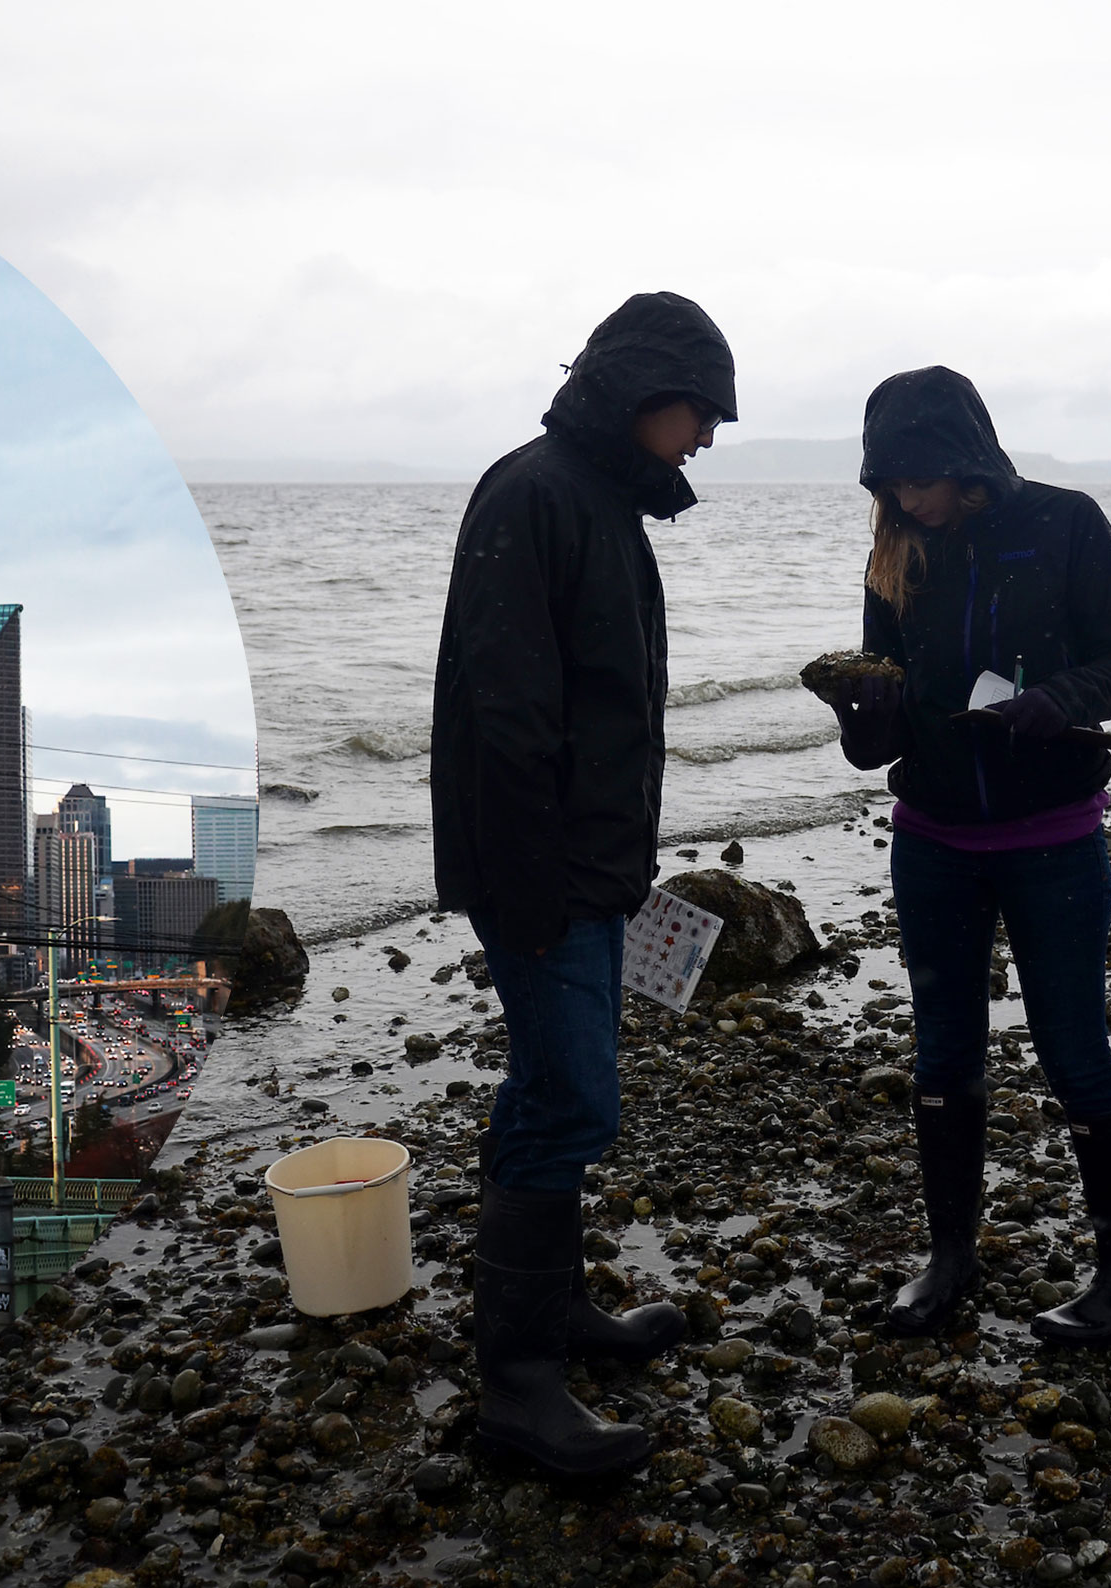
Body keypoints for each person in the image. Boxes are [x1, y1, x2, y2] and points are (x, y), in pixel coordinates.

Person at [430, 291, 736, 1475]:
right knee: (571, 1105)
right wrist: (539, 888)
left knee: (548, 1095)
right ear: (641, 392)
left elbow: (604, 707)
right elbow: (503, 718)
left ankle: (548, 1317)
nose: (704, 437)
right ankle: (516, 1391)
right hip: (544, 873)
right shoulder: (536, 493)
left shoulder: (599, 501)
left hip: (587, 866)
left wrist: (614, 867)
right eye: (698, 412)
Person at [827, 365, 1111, 1346]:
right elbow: (873, 744)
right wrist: (862, 715)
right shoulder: (894, 558)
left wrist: (1052, 703)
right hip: (931, 843)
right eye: (885, 484)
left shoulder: (1065, 525)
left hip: (1051, 841)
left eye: (916, 479)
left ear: (965, 458)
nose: (902, 500)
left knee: (1073, 1053)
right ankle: (947, 1261)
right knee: (941, 1054)